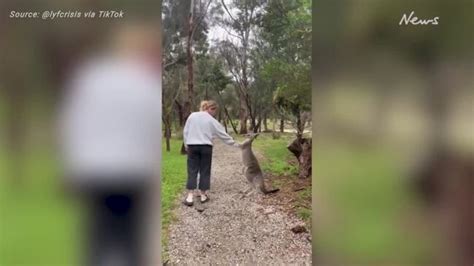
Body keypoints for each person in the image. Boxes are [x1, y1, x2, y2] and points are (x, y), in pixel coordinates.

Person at [59, 22, 161, 266]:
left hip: (94, 169)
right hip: (131, 170)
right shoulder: (146, 83)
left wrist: (71, 166)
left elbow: (72, 121)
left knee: (97, 238)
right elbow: (149, 130)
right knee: (130, 241)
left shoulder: (91, 76)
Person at [182, 100, 240, 206]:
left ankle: (190, 197)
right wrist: (234, 143)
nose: (214, 114)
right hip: (206, 147)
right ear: (210, 109)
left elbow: (186, 131)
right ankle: (203, 195)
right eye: (214, 111)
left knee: (192, 170)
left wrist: (186, 144)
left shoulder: (192, 116)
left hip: (192, 146)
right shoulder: (211, 119)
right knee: (205, 170)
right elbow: (221, 133)